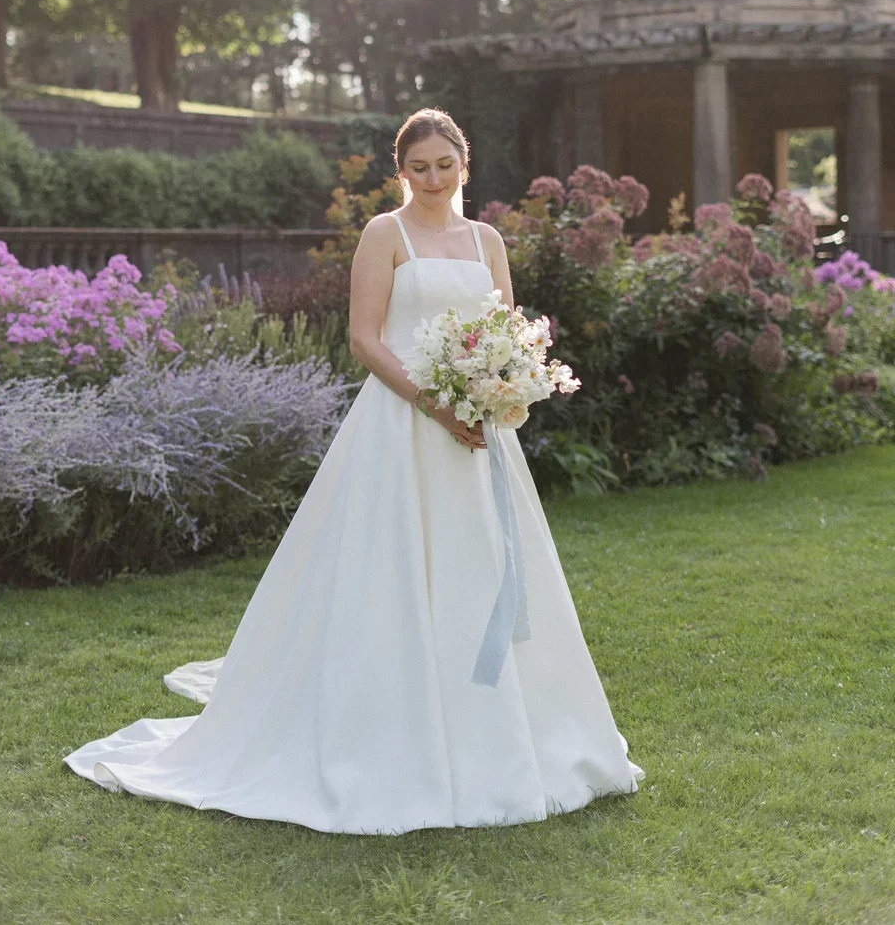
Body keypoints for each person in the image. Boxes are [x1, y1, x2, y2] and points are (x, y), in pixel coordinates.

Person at [64, 107, 643, 832]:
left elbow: (506, 331)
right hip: (403, 425)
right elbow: (365, 340)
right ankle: (391, 721)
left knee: (483, 566)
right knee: (390, 567)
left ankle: (509, 731)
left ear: (464, 165)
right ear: (401, 173)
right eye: (420, 167)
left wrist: (502, 384)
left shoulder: (487, 239)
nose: (434, 178)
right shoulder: (385, 234)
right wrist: (435, 403)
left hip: (479, 433)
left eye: (445, 165)